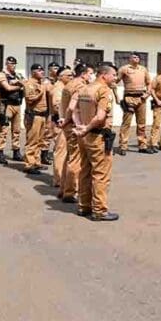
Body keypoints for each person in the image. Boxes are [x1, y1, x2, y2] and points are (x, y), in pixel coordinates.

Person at [72, 62, 119, 221]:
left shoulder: (85, 88)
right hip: (97, 136)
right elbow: (100, 117)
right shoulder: (104, 90)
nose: (115, 78)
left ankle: (83, 206)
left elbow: (75, 110)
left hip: (84, 136)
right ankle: (99, 210)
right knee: (101, 174)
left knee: (85, 171)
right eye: (113, 75)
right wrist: (86, 128)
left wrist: (80, 126)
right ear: (104, 75)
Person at [57, 62, 94, 203]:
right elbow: (72, 108)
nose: (92, 76)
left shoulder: (69, 84)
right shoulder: (80, 86)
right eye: (90, 73)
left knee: (70, 157)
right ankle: (70, 191)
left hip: (68, 125)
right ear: (84, 74)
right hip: (73, 125)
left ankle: (64, 188)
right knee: (75, 160)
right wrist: (70, 122)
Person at [114, 52, 151, 156]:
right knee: (126, 123)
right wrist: (116, 96)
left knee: (142, 124)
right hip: (129, 98)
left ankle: (142, 145)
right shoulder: (124, 69)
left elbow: (149, 83)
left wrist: (147, 94)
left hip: (141, 98)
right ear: (129, 59)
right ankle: (123, 146)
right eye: (134, 57)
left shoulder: (143, 69)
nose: (136, 58)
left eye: (138, 57)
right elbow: (115, 82)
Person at [0, 56, 24, 164]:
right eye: (11, 64)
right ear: (6, 64)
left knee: (16, 130)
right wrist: (19, 86)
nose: (13, 65)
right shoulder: (2, 75)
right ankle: (0, 152)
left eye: (14, 64)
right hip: (7, 105)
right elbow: (7, 88)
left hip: (17, 104)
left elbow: (24, 83)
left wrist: (18, 83)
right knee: (4, 130)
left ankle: (16, 151)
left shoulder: (17, 75)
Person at [23, 63, 49, 175]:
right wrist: (41, 92)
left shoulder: (41, 83)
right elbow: (29, 99)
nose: (42, 72)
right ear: (33, 72)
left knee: (39, 141)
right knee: (32, 141)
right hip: (34, 115)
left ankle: (36, 162)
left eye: (42, 70)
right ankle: (29, 164)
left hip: (42, 115)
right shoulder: (30, 84)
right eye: (39, 71)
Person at [51, 66, 73, 187]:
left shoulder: (65, 87)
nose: (71, 77)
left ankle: (62, 177)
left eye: (72, 75)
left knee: (65, 151)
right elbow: (57, 106)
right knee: (61, 151)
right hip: (60, 123)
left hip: (65, 122)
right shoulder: (58, 88)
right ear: (61, 77)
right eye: (68, 75)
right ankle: (58, 179)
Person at [41, 62, 60, 165]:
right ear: (49, 70)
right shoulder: (47, 81)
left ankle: (55, 153)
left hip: (56, 111)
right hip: (48, 111)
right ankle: (43, 155)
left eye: (57, 68)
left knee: (57, 134)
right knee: (47, 134)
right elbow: (49, 91)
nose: (56, 70)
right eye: (54, 68)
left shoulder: (57, 82)